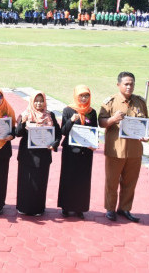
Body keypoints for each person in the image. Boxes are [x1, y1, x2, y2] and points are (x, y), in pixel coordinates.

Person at [98, 71, 148, 223]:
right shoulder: (110, 102)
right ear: (118, 85)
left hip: (134, 150)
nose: (129, 87)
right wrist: (113, 119)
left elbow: (145, 122)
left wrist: (145, 135)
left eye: (131, 84)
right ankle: (110, 209)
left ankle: (125, 208)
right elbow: (101, 122)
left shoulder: (140, 102)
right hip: (116, 148)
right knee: (111, 182)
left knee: (130, 182)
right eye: (126, 84)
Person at [15, 91, 61, 216]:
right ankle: (23, 207)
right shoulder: (25, 114)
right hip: (27, 156)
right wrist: (23, 122)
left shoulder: (50, 115)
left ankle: (38, 208)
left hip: (43, 156)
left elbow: (57, 133)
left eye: (41, 100)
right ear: (31, 101)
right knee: (26, 182)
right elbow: (17, 133)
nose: (38, 103)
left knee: (40, 183)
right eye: (36, 100)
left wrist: (54, 144)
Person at [57, 85, 97, 219]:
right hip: (70, 151)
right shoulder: (68, 110)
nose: (84, 98)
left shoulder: (92, 112)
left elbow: (94, 130)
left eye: (86, 95)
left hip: (86, 152)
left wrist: (94, 144)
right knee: (69, 178)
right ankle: (66, 207)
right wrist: (71, 120)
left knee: (83, 180)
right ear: (76, 96)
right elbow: (63, 131)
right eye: (81, 96)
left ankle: (80, 207)